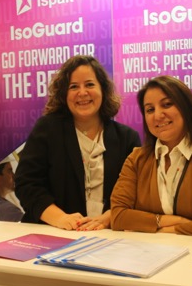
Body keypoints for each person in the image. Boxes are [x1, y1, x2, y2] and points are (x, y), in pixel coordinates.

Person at [15, 55, 141, 231]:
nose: (82, 93)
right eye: (73, 86)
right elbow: (27, 184)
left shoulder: (127, 138)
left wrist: (108, 218)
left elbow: (136, 192)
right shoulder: (47, 129)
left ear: (103, 89)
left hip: (109, 235)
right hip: (55, 233)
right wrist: (60, 218)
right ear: (64, 94)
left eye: (89, 84)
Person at [110, 75, 192, 237]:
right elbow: (118, 216)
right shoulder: (136, 159)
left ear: (186, 107)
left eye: (167, 104)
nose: (158, 115)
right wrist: (161, 221)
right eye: (150, 110)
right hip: (155, 251)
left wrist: (167, 230)